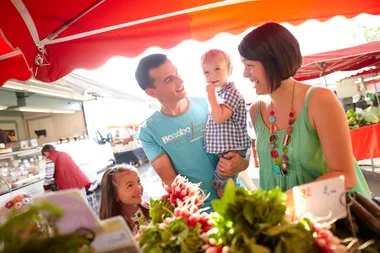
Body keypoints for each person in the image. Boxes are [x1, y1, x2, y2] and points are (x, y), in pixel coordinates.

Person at [238, 22, 371, 208]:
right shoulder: (256, 111)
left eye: (249, 65)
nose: (245, 74)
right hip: (287, 223)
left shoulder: (320, 100)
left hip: (336, 216)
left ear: (273, 62)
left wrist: (295, 197)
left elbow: (345, 176)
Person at [135, 54, 249, 210]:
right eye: (169, 80)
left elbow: (240, 143)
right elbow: (170, 180)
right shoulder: (149, 130)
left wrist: (243, 162)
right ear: (152, 93)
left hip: (236, 197)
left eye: (177, 73)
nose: (180, 81)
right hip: (200, 210)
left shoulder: (209, 104)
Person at [201, 49, 254, 197]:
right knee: (227, 184)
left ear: (229, 70)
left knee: (222, 189)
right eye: (206, 72)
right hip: (228, 148)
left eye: (217, 69)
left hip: (232, 149)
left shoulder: (231, 92)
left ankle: (235, 209)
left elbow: (219, 118)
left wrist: (210, 95)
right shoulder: (221, 93)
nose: (211, 75)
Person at [99, 164, 151, 236]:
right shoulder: (113, 227)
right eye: (130, 185)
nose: (139, 188)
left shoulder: (147, 207)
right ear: (115, 195)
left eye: (138, 181)